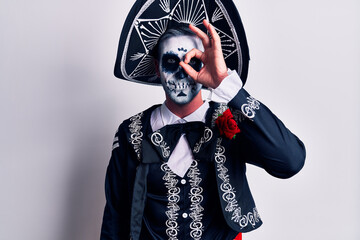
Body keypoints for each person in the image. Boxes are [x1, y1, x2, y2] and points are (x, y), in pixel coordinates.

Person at [100, 18, 306, 240]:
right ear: (157, 69)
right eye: (170, 62)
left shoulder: (232, 120)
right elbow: (116, 216)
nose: (182, 72)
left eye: (193, 61)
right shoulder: (131, 131)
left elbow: (290, 161)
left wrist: (225, 84)